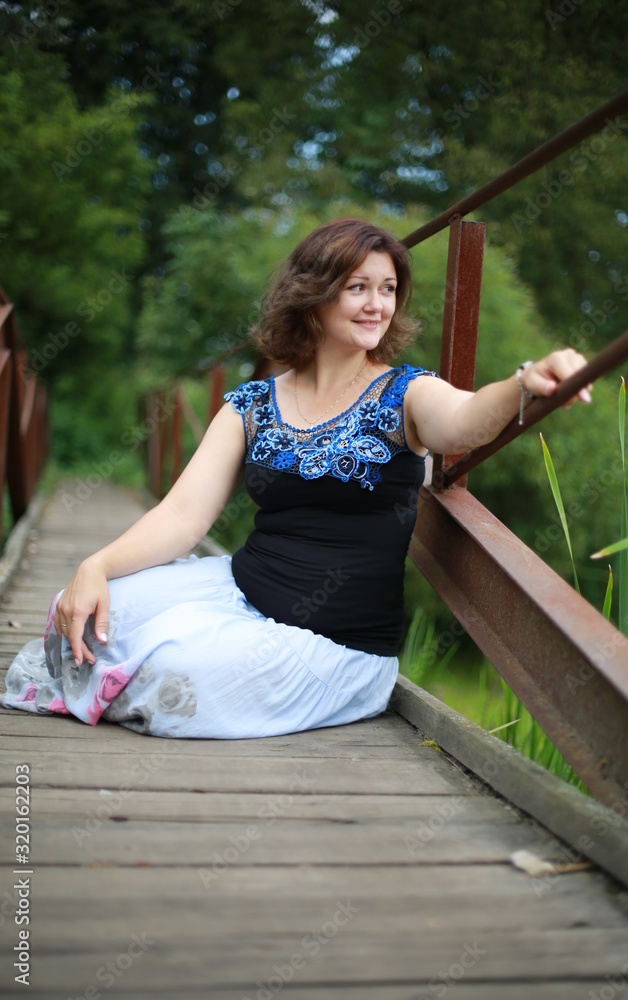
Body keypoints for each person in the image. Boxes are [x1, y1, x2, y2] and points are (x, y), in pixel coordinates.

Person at [1, 218, 592, 738]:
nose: (377, 305)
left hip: (335, 647)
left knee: (177, 673)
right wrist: (94, 565)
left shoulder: (407, 392)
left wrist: (524, 383)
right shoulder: (252, 402)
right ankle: (132, 666)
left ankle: (140, 678)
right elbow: (183, 516)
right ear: (313, 297)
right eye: (357, 287)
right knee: (78, 611)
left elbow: (464, 422)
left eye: (387, 289)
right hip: (238, 591)